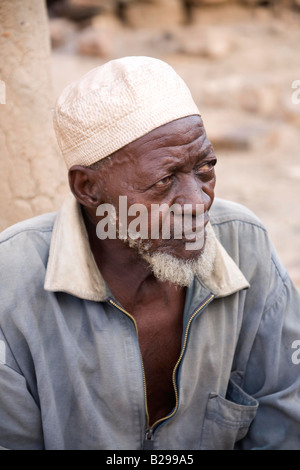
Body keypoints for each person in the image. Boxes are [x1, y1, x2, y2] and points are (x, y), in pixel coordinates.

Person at [0, 56, 300, 451]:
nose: (198, 203)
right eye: (163, 181)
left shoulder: (244, 242)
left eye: (205, 167)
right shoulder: (12, 281)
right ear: (88, 188)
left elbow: (283, 419)